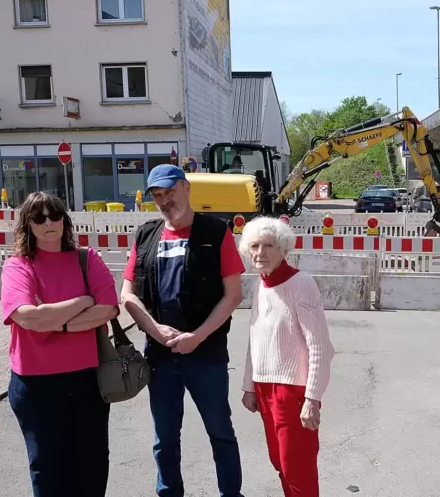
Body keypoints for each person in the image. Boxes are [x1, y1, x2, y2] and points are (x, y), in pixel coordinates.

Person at [120, 164, 246, 497]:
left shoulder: (216, 232)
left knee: (220, 432)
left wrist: (197, 337)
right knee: (165, 438)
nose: (164, 200)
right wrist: (155, 330)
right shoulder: (145, 236)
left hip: (206, 355)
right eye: (157, 195)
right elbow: (128, 295)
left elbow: (233, 295)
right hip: (160, 357)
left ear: (186, 188)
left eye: (169, 191)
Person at [0, 191, 120, 497]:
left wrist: (56, 322)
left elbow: (108, 308)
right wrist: (83, 301)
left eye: (54, 216)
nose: (48, 223)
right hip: (36, 386)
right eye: (38, 218)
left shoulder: (86, 258)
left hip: (87, 381)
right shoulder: (18, 266)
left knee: (92, 464)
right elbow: (28, 318)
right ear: (27, 225)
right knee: (48, 467)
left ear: (65, 222)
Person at [239, 216, 335, 497]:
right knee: (280, 463)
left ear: (283, 249)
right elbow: (254, 338)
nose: (260, 253)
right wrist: (248, 385)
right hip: (264, 388)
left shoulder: (301, 283)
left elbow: (320, 345)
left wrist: (312, 398)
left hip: (293, 392)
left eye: (269, 245)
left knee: (298, 469)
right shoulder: (261, 284)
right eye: (254, 246)